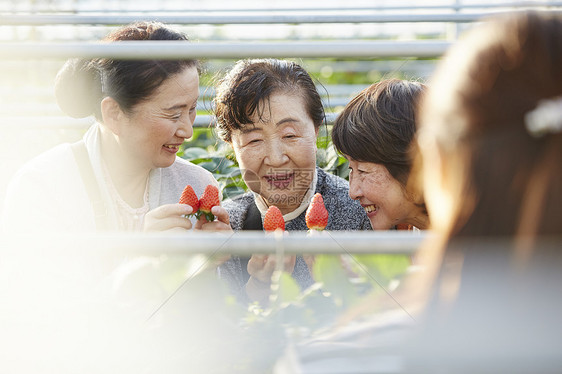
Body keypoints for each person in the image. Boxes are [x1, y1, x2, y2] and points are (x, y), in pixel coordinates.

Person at [274, 11, 562, 373]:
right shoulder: (384, 241)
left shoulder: (340, 358)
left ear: (429, 161)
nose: (353, 190)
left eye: (362, 170)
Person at [2, 21, 230, 233]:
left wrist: (210, 265)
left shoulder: (197, 184)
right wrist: (143, 259)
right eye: (173, 114)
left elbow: (212, 276)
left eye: (191, 109)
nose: (188, 131)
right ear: (113, 114)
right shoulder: (43, 188)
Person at [213, 58, 371, 304]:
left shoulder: (362, 210)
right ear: (232, 146)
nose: (275, 159)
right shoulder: (225, 228)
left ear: (316, 131)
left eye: (289, 135)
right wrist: (257, 291)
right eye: (254, 140)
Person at [331, 79, 429, 231]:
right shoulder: (409, 230)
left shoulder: (473, 242)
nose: (353, 192)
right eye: (351, 169)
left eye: (363, 171)